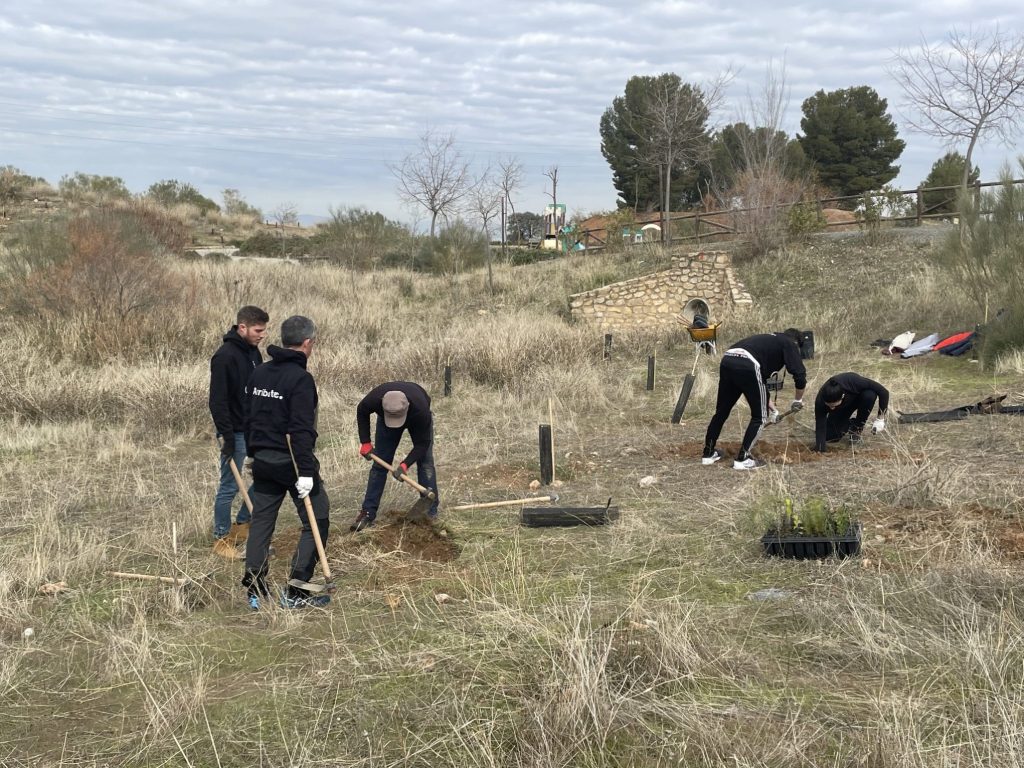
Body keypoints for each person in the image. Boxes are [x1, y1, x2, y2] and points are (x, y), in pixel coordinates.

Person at [242, 316, 330, 610]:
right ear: (308, 343)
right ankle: (296, 592)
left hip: (263, 461)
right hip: (291, 463)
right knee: (317, 519)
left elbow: (250, 417)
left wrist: (252, 454)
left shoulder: (260, 372)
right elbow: (301, 430)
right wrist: (306, 473)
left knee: (262, 522)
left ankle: (255, 591)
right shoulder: (301, 379)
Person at [208, 305, 268, 559]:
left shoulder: (254, 353)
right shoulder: (224, 357)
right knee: (229, 486)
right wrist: (227, 436)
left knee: (266, 474)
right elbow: (217, 401)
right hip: (235, 431)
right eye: (258, 330)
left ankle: (242, 524)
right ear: (242, 327)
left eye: (264, 330)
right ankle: (221, 539)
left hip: (255, 428)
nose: (262, 335)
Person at [702, 328, 807, 470]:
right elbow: (800, 375)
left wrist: (773, 410)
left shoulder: (768, 341)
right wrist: (798, 400)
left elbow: (759, 387)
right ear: (797, 343)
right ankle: (743, 459)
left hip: (729, 358)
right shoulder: (789, 343)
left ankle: (708, 454)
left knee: (721, 412)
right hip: (748, 363)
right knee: (760, 417)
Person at [351, 381, 439, 531]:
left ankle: (429, 513)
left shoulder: (420, 410)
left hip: (416, 418)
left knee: (425, 462)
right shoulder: (375, 399)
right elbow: (362, 410)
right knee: (380, 464)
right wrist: (365, 442)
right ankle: (367, 513)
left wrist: (405, 464)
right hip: (385, 421)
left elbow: (422, 444)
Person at [812, 373, 889, 452]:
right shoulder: (820, 400)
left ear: (842, 396)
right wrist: (820, 449)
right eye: (829, 406)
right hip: (841, 410)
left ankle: (857, 427)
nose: (831, 408)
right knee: (830, 437)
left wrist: (880, 418)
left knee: (870, 394)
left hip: (858, 399)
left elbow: (884, 392)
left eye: (834, 405)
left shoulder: (853, 381)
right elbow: (820, 424)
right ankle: (850, 423)